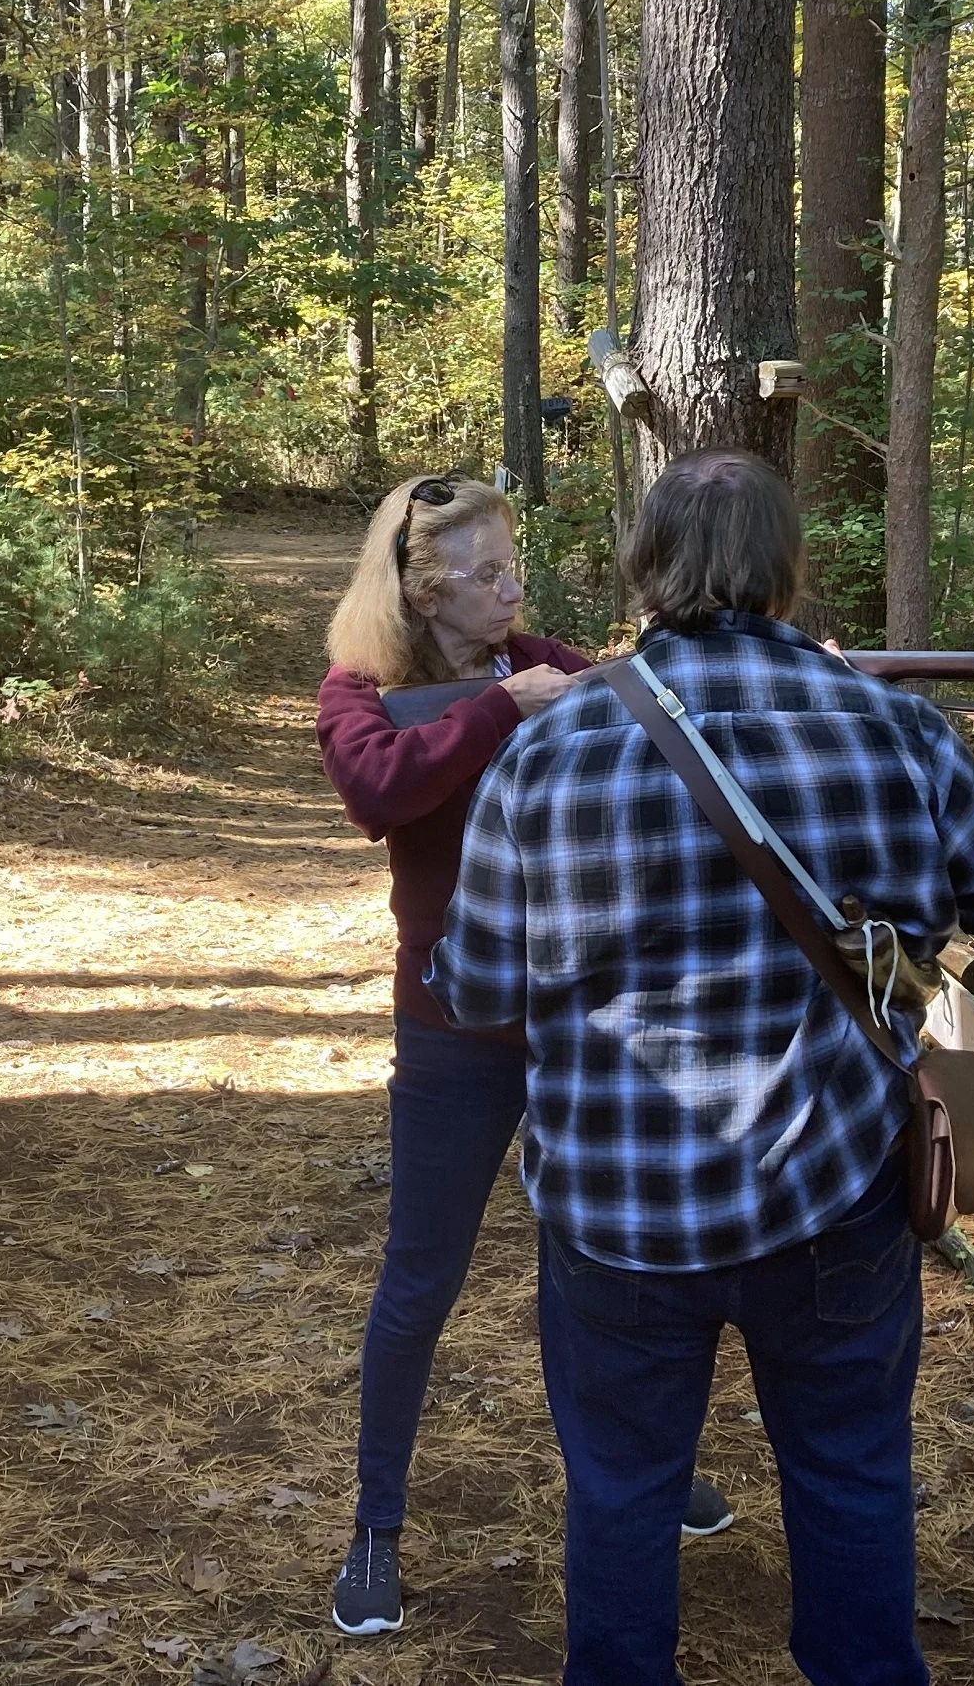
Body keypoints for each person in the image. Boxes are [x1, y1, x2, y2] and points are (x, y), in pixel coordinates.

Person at [430, 450, 974, 1686]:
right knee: (849, 1474)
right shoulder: (894, 728)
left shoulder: (548, 755)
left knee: (620, 1492)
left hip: (613, 1212)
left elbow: (479, 989)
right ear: (787, 574)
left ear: (643, 571)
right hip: (832, 1195)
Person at [315, 472, 733, 1639]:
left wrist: (774, 674)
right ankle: (376, 1525)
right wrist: (506, 712)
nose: (514, 590)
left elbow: (651, 707)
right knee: (419, 1282)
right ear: (419, 587)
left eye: (515, 570)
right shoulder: (363, 690)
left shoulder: (535, 656)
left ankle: (653, 1473)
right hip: (451, 1029)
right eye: (490, 573)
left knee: (598, 1275)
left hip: (573, 1021)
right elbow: (375, 790)